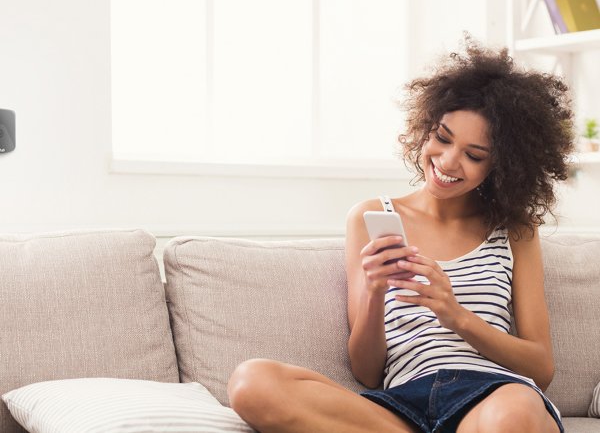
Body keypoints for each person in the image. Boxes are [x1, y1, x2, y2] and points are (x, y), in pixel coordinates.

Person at [227, 37, 574, 433]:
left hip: (493, 398)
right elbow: (368, 373)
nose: (447, 162)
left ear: (502, 166)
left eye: (474, 155)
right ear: (425, 128)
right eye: (442, 138)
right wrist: (375, 291)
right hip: (401, 407)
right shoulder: (370, 217)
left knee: (511, 414)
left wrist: (455, 315)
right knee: (252, 382)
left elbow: (540, 368)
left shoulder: (514, 232)